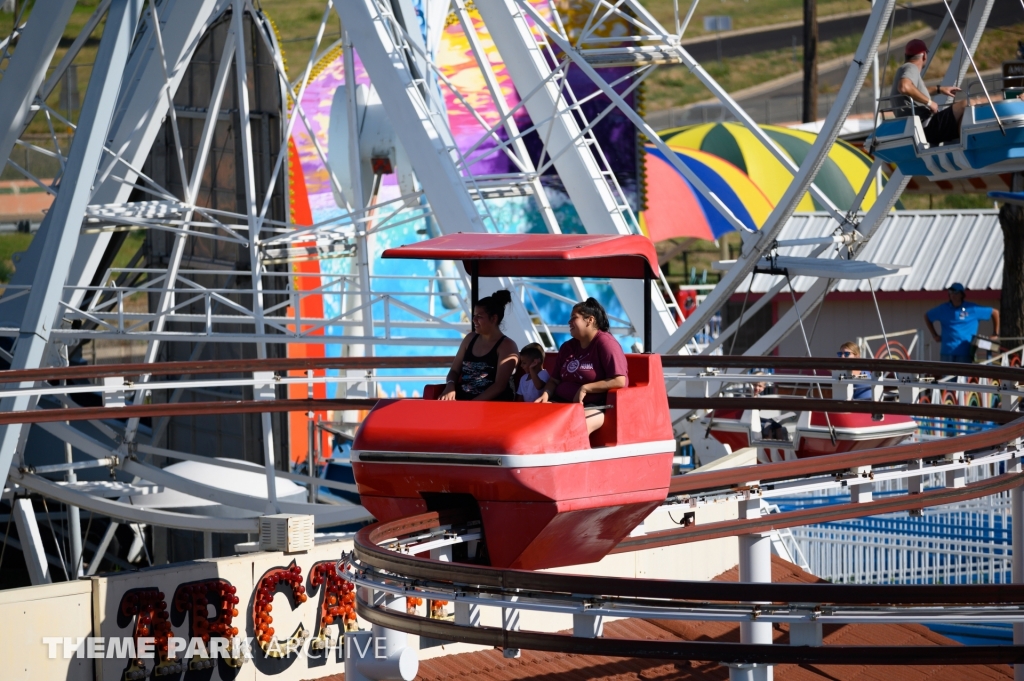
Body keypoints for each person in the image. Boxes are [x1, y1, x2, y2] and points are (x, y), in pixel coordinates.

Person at [892, 38, 1024, 146]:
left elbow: (915, 90)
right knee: (969, 103)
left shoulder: (904, 69)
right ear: (925, 55)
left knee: (963, 112)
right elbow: (904, 87)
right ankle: (1008, 112)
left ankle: (971, 135)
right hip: (927, 126)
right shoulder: (911, 68)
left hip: (922, 126)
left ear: (906, 55)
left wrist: (939, 89)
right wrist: (929, 102)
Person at [535, 298, 628, 435]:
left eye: (574, 318)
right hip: (561, 401)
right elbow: (554, 380)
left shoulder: (605, 343)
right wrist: (545, 395)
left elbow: (620, 380)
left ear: (589, 320)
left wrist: (586, 388)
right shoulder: (567, 347)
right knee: (533, 421)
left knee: (575, 428)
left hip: (595, 406)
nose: (569, 322)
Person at [439, 290, 518, 401]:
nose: (474, 319)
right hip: (464, 403)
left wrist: (472, 405)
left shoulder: (507, 346)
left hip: (490, 407)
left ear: (494, 318)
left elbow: (499, 386)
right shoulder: (469, 339)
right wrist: (450, 386)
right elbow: (454, 371)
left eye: (479, 316)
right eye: (474, 315)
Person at [924, 283, 1000, 363]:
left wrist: (995, 333)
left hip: (965, 353)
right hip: (947, 352)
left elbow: (995, 312)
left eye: (955, 292)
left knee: (964, 375)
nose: (952, 295)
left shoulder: (972, 308)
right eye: (950, 292)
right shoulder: (943, 309)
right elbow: (927, 316)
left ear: (961, 294)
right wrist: (934, 335)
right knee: (947, 376)